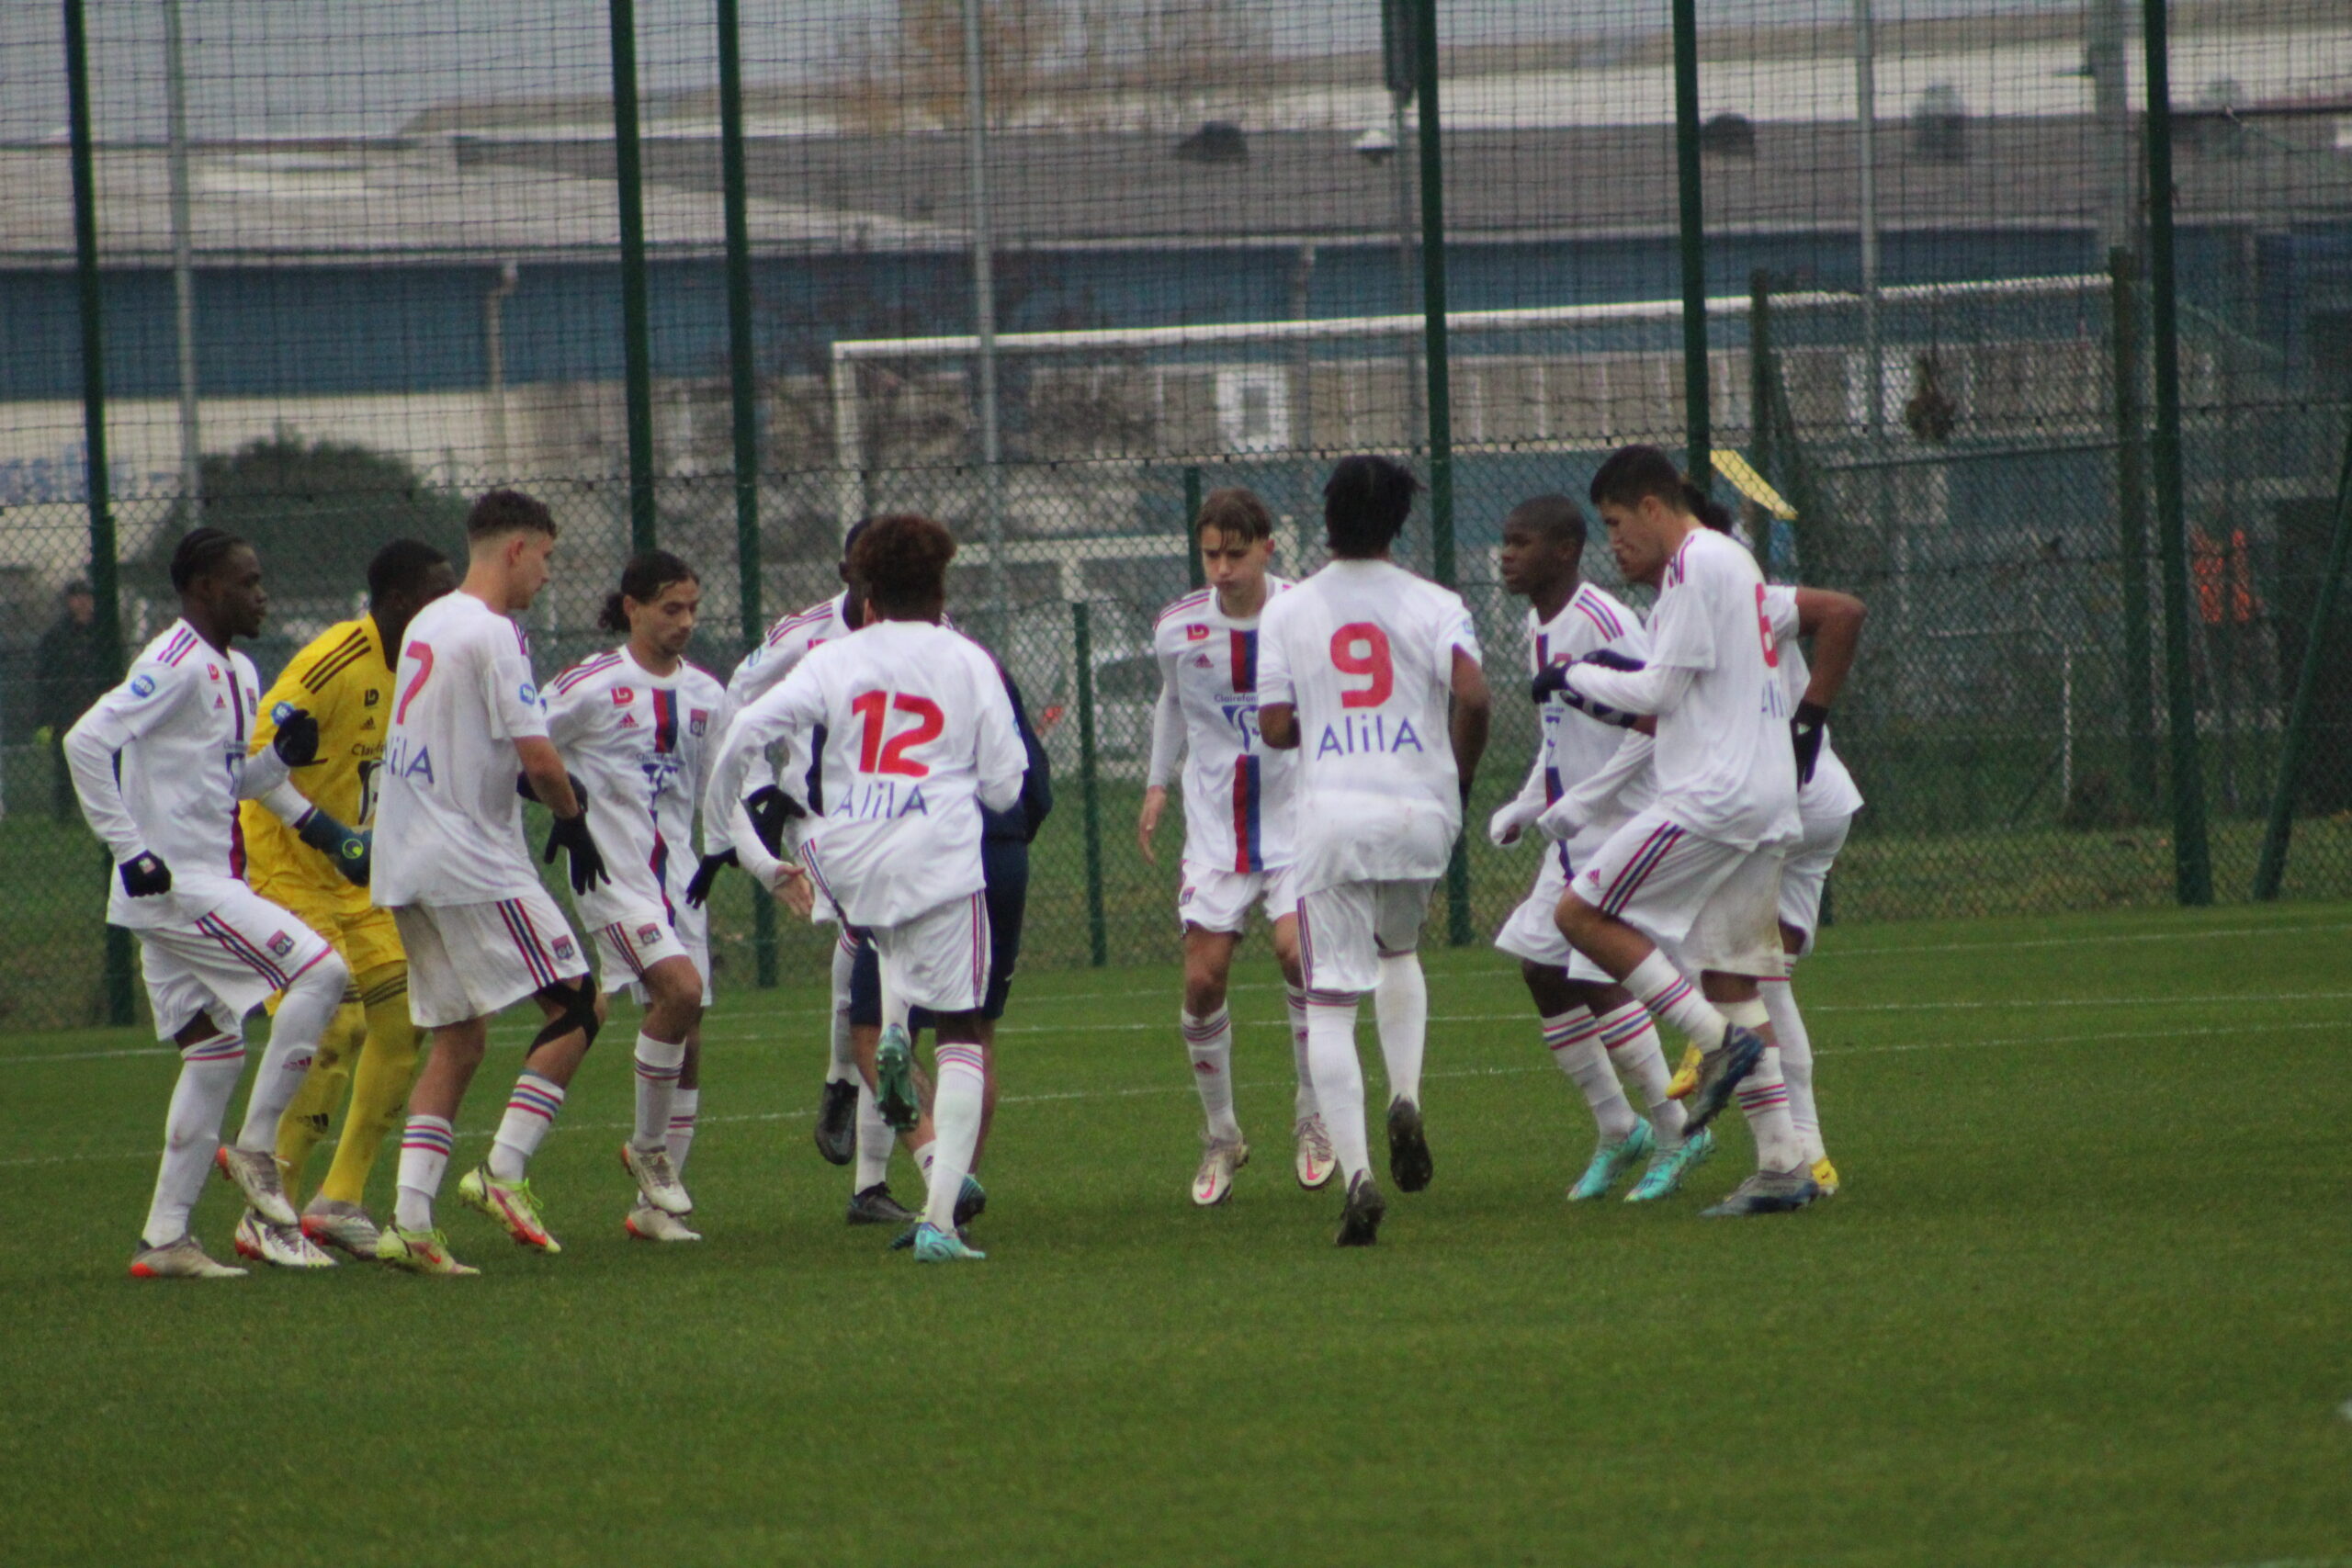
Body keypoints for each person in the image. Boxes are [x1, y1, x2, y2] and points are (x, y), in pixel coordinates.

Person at [706, 513, 1024, 1263]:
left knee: (884, 946)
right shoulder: (968, 658)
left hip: (850, 857)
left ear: (868, 594)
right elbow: (1007, 788)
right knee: (962, 1032)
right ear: (940, 587)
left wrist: (733, 837)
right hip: (938, 857)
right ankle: (940, 1221)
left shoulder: (835, 657)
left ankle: (886, 1032)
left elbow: (744, 726)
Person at [63, 528, 349, 1279]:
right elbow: (85, 742)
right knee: (322, 973)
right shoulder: (176, 662)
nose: (262, 594)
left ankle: (165, 1240)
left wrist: (278, 761)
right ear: (203, 591)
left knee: (215, 1053)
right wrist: (132, 851)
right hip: (181, 886)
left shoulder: (239, 669)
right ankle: (256, 1149)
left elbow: (231, 782)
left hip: (187, 885)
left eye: (261, 580)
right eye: (247, 582)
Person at [1548, 446, 1814, 1217]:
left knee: (1579, 913)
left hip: (1714, 795)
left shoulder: (1698, 561)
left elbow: (1660, 690)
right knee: (1732, 972)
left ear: (1656, 508)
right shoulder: (1727, 562)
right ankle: (1782, 1162)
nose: (1615, 542)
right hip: (1760, 795)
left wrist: (1574, 676)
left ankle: (1713, 1040)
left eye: (1617, 523)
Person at [371, 489, 609, 1275]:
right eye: (546, 556)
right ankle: (504, 1169)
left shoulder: (429, 621)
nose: (547, 573)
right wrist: (571, 818)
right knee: (579, 1001)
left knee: (460, 1036)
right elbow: (539, 756)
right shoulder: (495, 631)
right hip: (469, 860)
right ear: (515, 550)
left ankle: (409, 1221)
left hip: (404, 857)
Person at [1257, 456, 1490, 1246]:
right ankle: (1408, 1093)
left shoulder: (1289, 611)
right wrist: (1456, 776)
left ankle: (1357, 1176)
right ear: (1399, 522)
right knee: (1400, 952)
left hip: (1333, 818)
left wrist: (1318, 718)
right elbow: (1474, 694)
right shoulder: (1438, 603)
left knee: (1329, 1002)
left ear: (1327, 521)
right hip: (1419, 812)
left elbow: (1277, 727)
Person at [1487, 495, 1711, 1204]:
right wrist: (1530, 802)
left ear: (1564, 551)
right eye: (1504, 541)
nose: (1506, 555)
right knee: (1542, 970)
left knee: (1595, 971)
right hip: (1573, 834)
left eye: (1520, 543)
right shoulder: (1536, 622)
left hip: (1623, 826)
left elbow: (1656, 719)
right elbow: (1559, 733)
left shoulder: (1605, 620)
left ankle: (1680, 1131)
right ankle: (1621, 1128)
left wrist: (1588, 799)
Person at [242, 538, 458, 1259]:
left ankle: (337, 1201)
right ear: (400, 603)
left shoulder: (431, 667)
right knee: (331, 1033)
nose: (452, 605)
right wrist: (333, 835)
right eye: (439, 591)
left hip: (362, 875)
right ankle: (267, 1211)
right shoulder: (329, 662)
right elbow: (251, 768)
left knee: (403, 1029)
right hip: (286, 865)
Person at [1136, 487, 1335, 1207]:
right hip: (1217, 833)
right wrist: (1158, 783)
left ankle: (1312, 1114)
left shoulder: (1305, 614)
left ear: (1268, 548)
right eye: (1210, 553)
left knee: (1295, 953)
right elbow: (1170, 699)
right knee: (1201, 982)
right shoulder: (1177, 628)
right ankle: (1223, 1133)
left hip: (1297, 825)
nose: (1220, 569)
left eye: (1235, 554)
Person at [544, 550, 731, 1243]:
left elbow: (721, 787)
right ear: (632, 608)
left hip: (680, 881)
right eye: (670, 609)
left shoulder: (709, 695)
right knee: (678, 993)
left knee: (691, 1031)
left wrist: (739, 848)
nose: (685, 622)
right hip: (612, 876)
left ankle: (654, 1210)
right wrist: (564, 808)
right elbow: (522, 748)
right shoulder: (589, 685)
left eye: (692, 609)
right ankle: (647, 1149)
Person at [726, 523, 899, 1190]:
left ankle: (844, 1090)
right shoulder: (804, 633)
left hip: (892, 820)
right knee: (866, 929)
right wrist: (757, 784)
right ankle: (841, 1082)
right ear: (844, 571)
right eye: (866, 572)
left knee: (876, 949)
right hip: (819, 821)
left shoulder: (925, 628)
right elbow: (737, 696)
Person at [36, 579, 111, 821]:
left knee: (103, 761)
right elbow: (44, 676)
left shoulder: (103, 632)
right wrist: (47, 714)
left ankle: (102, 811)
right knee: (64, 764)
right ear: (68, 602)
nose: (82, 602)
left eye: (87, 597)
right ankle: (64, 815)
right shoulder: (56, 636)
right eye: (76, 597)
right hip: (66, 709)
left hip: (98, 706)